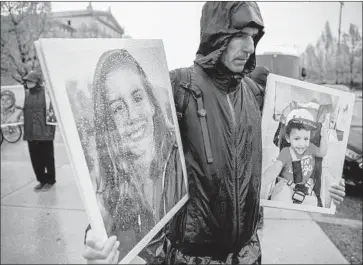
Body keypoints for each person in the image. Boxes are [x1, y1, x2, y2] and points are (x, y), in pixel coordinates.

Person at [83, 2, 346, 264]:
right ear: (216, 37)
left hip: (248, 255)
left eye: (252, 38)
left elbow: (280, 160)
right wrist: (99, 234)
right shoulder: (179, 89)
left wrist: (328, 180)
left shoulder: (255, 94)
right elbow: (129, 171)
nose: (249, 47)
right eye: (240, 36)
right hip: (189, 259)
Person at [84, 49, 186, 262]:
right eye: (118, 108)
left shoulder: (185, 162)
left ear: (151, 103)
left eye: (137, 97)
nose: (132, 116)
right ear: (109, 122)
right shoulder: (111, 183)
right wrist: (97, 245)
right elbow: (104, 231)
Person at [261, 112, 329, 206]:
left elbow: (322, 153)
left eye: (306, 139)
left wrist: (324, 137)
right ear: (288, 138)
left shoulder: (311, 147)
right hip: (287, 186)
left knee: (313, 203)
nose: (302, 143)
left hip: (305, 189)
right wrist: (263, 181)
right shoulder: (286, 152)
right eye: (297, 138)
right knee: (281, 198)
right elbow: (276, 167)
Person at [23, 70, 56, 191]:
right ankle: (41, 180)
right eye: (26, 81)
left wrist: (51, 130)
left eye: (30, 81)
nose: (27, 83)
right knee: (35, 159)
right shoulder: (26, 94)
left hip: (44, 131)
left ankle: (50, 180)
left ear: (37, 82)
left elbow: (53, 113)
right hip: (31, 132)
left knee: (47, 157)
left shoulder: (46, 93)